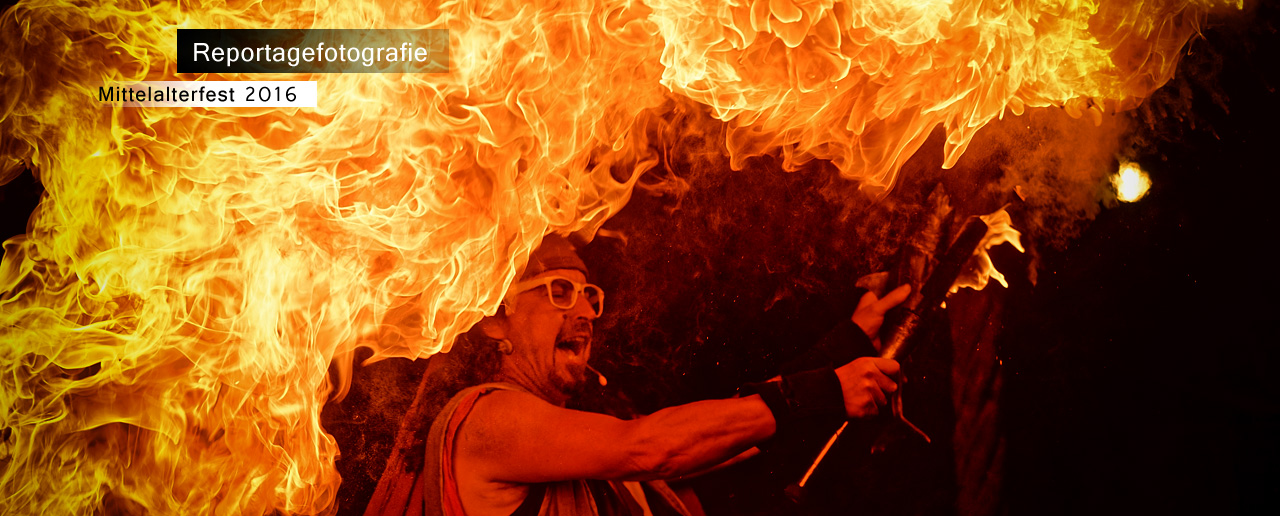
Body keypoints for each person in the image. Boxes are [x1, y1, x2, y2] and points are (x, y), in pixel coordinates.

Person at [365, 235, 910, 516]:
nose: (583, 314)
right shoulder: (485, 417)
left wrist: (847, 345)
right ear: (496, 321)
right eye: (559, 292)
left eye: (590, 297)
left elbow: (724, 439)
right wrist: (825, 388)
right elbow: (650, 447)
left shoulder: (584, 446)